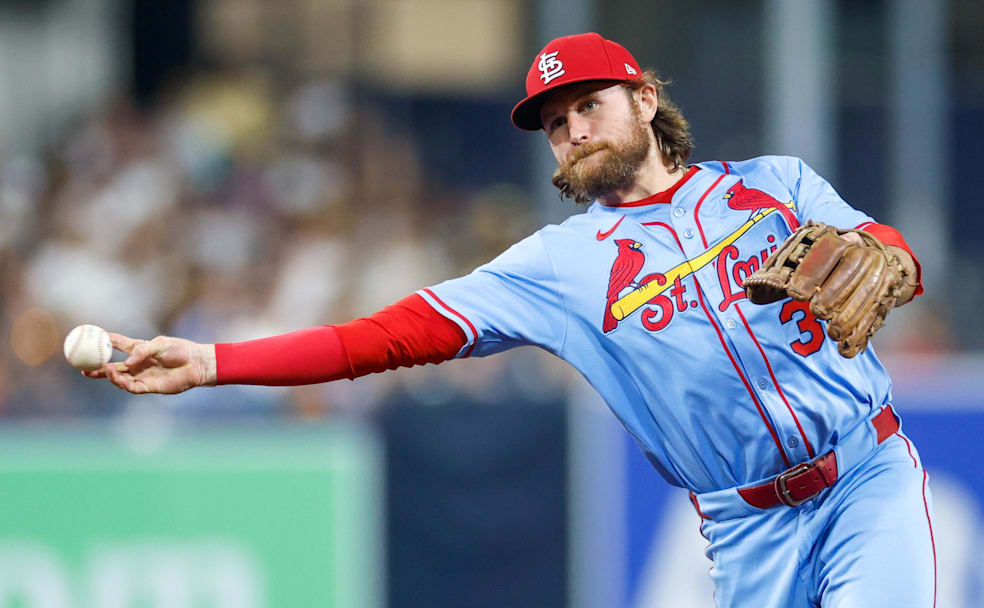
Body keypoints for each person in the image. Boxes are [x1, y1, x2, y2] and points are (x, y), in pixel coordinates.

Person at [87, 33, 936, 607]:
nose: (571, 131)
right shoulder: (558, 265)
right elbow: (379, 340)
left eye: (587, 106)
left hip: (866, 474)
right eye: (554, 124)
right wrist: (215, 360)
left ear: (643, 99)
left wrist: (889, 257)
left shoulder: (772, 183)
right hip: (746, 525)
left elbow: (886, 252)